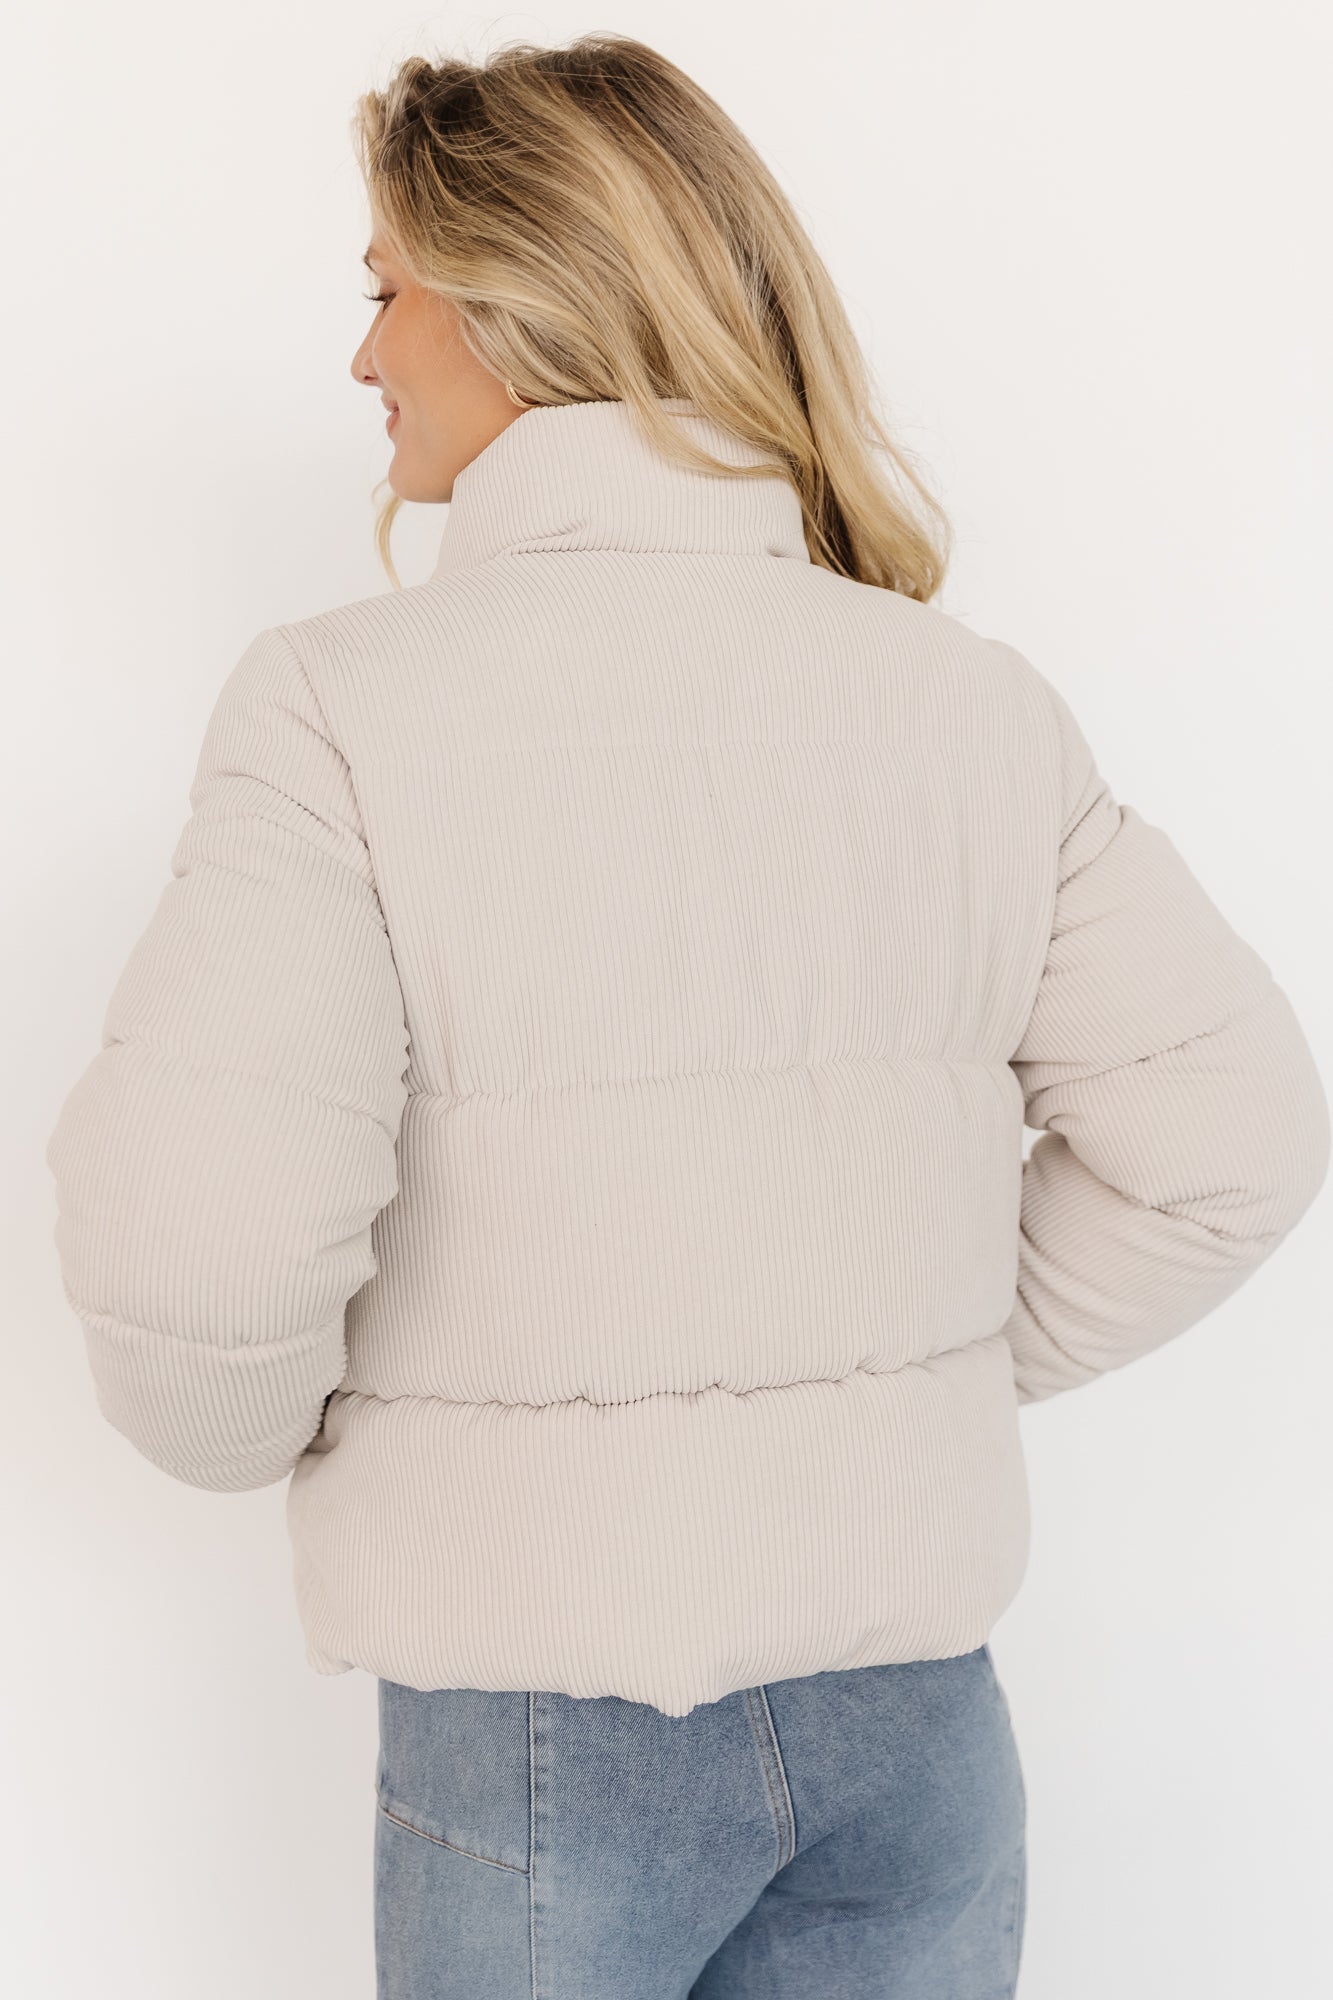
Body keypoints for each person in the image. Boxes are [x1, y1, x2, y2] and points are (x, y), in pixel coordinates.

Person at [44, 31, 1328, 2000]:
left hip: (550, 1730)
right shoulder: (963, 702)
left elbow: (196, 1253)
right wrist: (890, 1378)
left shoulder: (342, 707)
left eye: (386, 290)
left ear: (515, 292)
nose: (365, 355)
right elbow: (1233, 1133)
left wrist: (277, 1440)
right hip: (920, 1727)